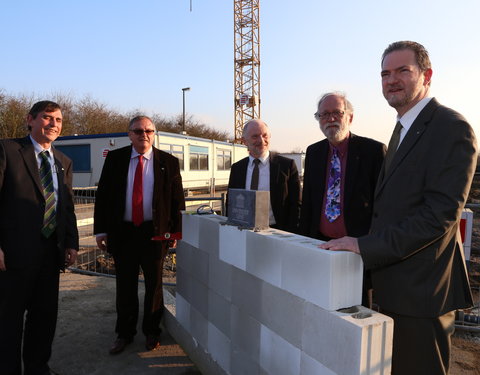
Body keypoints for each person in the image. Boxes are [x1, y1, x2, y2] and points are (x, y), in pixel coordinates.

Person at [319, 41, 477, 375]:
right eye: (385, 73)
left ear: (427, 75)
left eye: (403, 70)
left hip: (423, 292)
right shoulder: (403, 128)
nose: (392, 80)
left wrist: (364, 244)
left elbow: (439, 216)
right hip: (398, 287)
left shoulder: (451, 128)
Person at [94, 115, 185, 355]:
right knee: (125, 286)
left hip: (154, 233)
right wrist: (101, 230)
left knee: (154, 285)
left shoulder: (168, 161)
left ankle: (152, 331)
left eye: (148, 130)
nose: (143, 134)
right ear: (129, 134)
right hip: (123, 232)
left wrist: (176, 230)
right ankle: (124, 333)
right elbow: (103, 196)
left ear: (154, 134)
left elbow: (177, 200)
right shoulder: (115, 159)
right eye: (138, 131)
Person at [0, 100, 79, 375]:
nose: (53, 124)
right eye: (47, 118)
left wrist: (71, 242)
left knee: (44, 318)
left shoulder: (63, 162)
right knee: (8, 320)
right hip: (12, 256)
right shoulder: (7, 150)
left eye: (58, 120)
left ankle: (37, 368)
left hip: (50, 255)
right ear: (30, 119)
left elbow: (66, 207)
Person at [299, 92, 386, 241]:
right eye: (324, 114)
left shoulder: (373, 151)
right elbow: (308, 202)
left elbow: (384, 204)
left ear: (350, 117)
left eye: (337, 113)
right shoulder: (313, 152)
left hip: (359, 246)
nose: (331, 119)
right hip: (319, 242)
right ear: (319, 119)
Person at [227, 119, 301, 232]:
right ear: (244, 141)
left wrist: (290, 232)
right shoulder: (237, 168)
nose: (261, 140)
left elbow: (297, 203)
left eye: (265, 135)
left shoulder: (286, 166)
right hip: (244, 230)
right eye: (255, 136)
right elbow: (231, 203)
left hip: (277, 232)